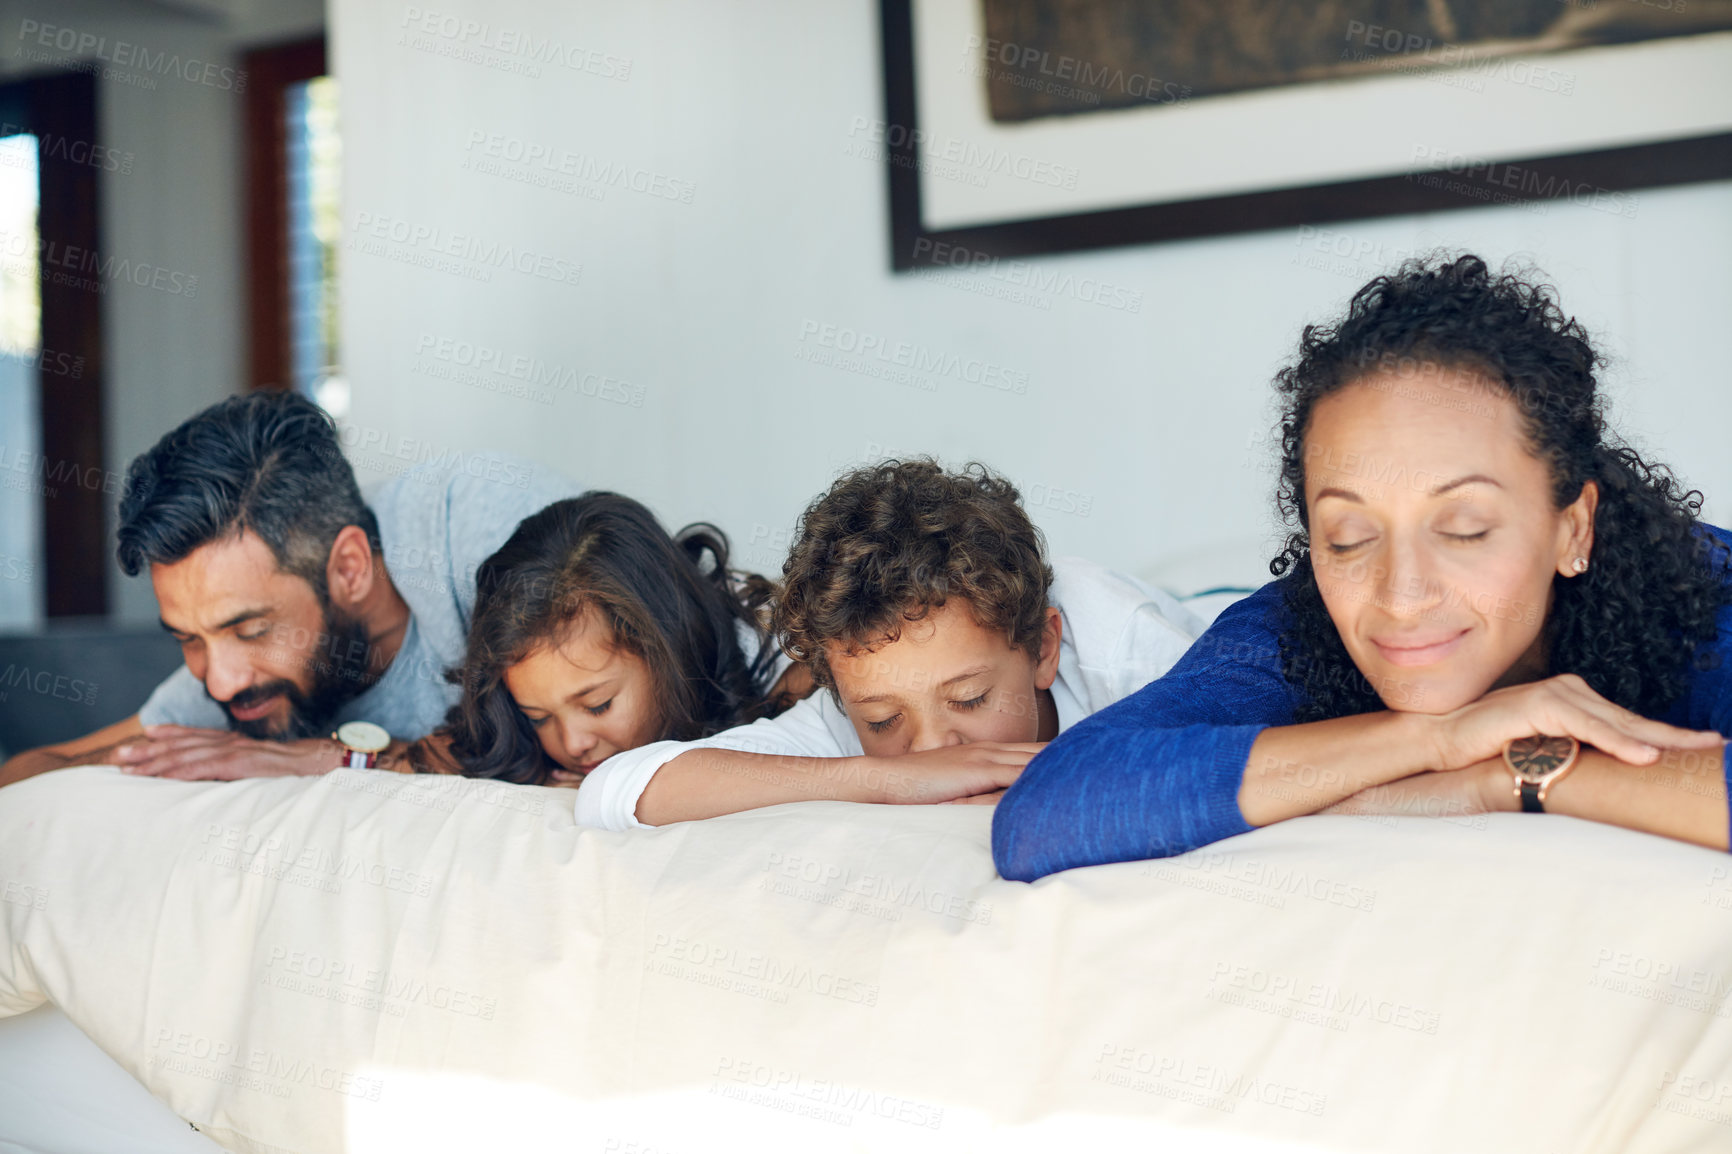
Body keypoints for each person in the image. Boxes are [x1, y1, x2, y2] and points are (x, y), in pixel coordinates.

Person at [992, 254, 1732, 882]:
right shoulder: (1291, 626)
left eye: (1465, 528)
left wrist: (1535, 772)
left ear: (1573, 528)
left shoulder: (1700, 599)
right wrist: (1442, 747)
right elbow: (1046, 814)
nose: (1402, 594)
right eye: (1348, 536)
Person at [572, 459, 1207, 829]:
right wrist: (881, 780)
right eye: (882, 720)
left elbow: (1263, 744)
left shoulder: (1120, 647)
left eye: (969, 698)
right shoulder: (849, 706)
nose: (929, 750)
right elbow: (615, 790)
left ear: (1042, 647)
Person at [0, 391, 579, 787]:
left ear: (349, 568)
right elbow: (28, 773)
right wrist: (135, 760)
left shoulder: (483, 527)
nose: (220, 681)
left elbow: (597, 725)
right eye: (187, 638)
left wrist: (332, 760)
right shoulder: (236, 679)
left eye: (250, 630)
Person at [422, 492, 810, 783]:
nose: (573, 744)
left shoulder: (795, 666)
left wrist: (633, 786)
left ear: (666, 649)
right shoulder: (524, 739)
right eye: (538, 718)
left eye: (597, 705)